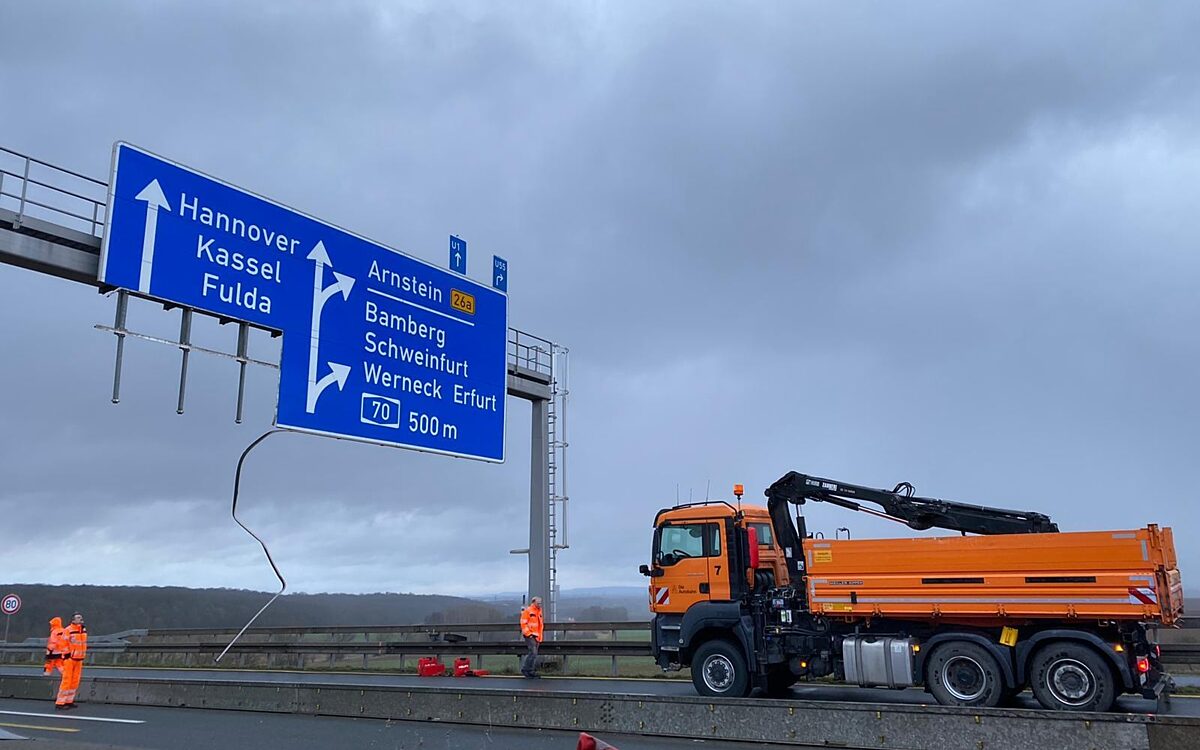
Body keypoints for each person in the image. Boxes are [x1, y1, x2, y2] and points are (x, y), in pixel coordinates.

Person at [56, 612, 87, 710]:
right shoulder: (68, 630)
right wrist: (67, 655)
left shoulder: (83, 630)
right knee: (67, 680)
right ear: (73, 620)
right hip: (70, 659)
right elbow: (62, 643)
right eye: (78, 617)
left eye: (81, 617)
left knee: (75, 681)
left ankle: (69, 701)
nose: (80, 618)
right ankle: (60, 702)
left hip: (79, 659)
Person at [519, 596, 544, 678]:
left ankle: (530, 671)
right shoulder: (528, 611)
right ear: (533, 602)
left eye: (540, 603)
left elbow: (540, 625)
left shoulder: (539, 611)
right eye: (538, 603)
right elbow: (523, 623)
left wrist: (539, 637)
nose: (540, 604)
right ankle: (527, 670)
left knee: (534, 653)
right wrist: (528, 634)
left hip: (536, 636)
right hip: (530, 635)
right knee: (533, 653)